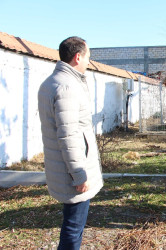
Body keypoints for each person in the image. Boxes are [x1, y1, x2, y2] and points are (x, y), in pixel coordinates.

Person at [38, 36, 103, 249]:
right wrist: (79, 173)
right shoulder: (68, 87)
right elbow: (69, 135)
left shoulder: (52, 82)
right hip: (72, 171)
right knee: (73, 228)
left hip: (61, 167)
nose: (88, 62)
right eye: (87, 57)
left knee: (72, 224)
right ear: (77, 57)